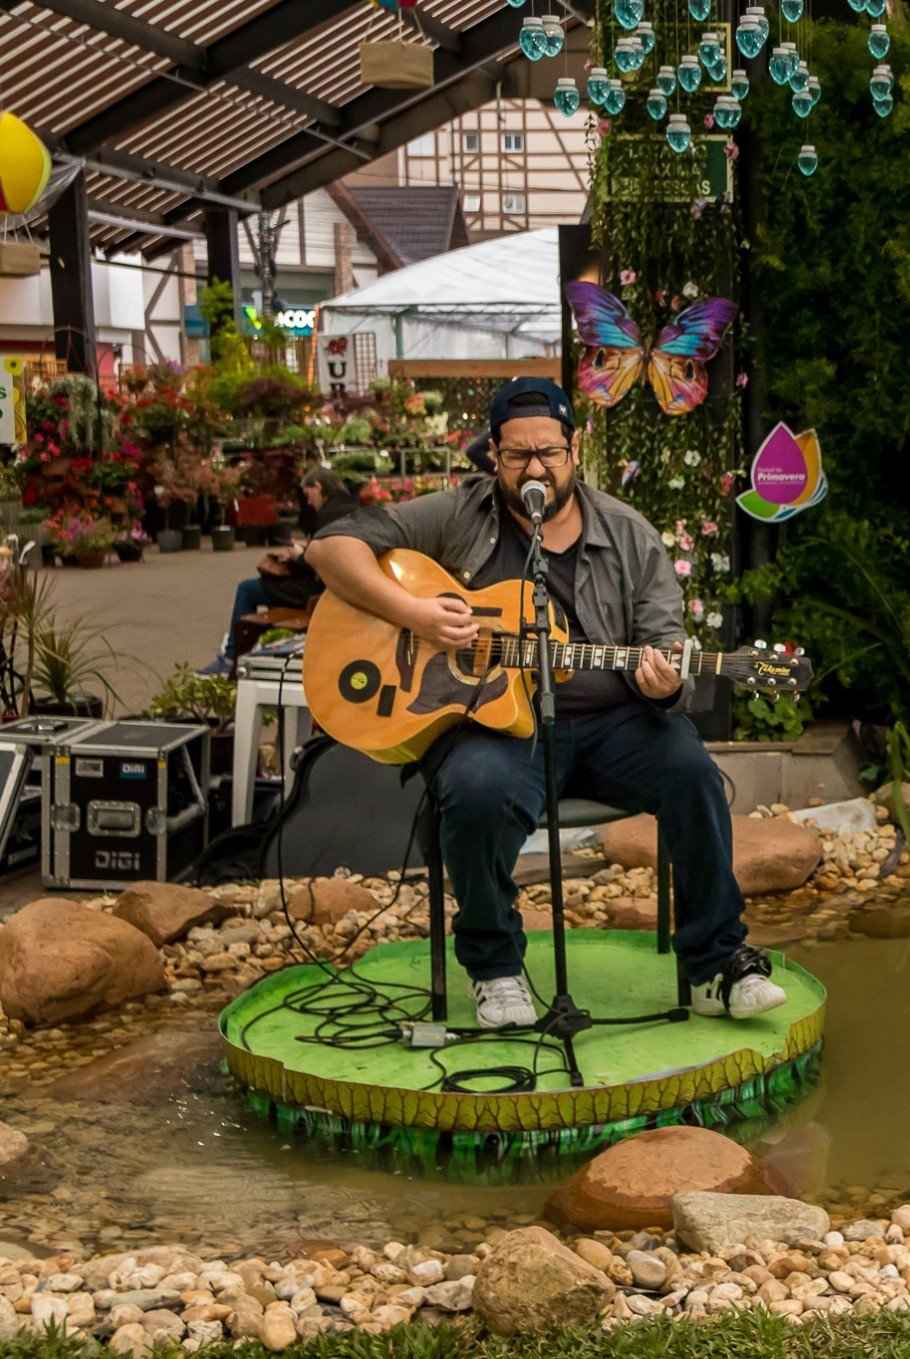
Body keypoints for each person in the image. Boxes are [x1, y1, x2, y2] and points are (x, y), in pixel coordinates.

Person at [305, 377, 785, 1029]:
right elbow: (330, 548)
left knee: (693, 774)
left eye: (549, 453)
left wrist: (667, 682)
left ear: (573, 448)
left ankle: (716, 964)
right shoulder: (456, 514)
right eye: (518, 454)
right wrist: (414, 613)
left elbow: (666, 641)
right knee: (474, 791)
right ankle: (496, 969)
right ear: (493, 455)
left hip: (613, 723)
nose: (535, 468)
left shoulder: (629, 534)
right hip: (494, 727)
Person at [199, 468, 360, 676]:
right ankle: (249, 653)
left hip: (316, 590)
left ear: (319, 487)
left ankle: (229, 659)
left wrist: (298, 556)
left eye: (308, 494)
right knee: (265, 587)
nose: (308, 502)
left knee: (247, 588)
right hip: (332, 587)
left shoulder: (330, 515)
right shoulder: (349, 508)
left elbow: (325, 562)